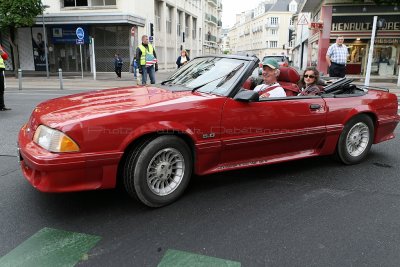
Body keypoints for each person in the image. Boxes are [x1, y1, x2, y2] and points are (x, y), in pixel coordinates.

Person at [0, 45, 11, 111]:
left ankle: (1, 106)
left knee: (1, 89)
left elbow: (5, 57)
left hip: (0, 70)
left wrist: (1, 51)